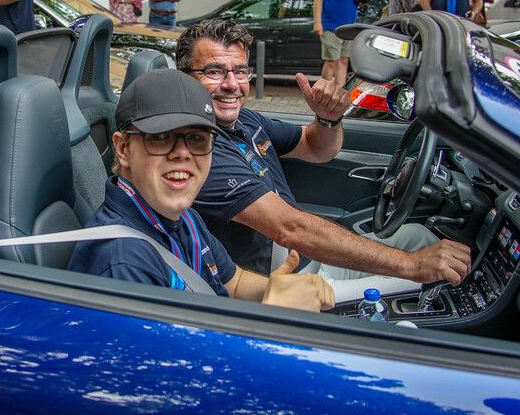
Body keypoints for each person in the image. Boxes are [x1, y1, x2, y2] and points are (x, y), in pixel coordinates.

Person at [176, 18, 472, 301]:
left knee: (419, 236)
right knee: (432, 274)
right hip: (284, 284)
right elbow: (290, 228)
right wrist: (412, 265)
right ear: (184, 78)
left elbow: (315, 147)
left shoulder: (246, 121)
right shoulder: (198, 149)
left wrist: (328, 119)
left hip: (305, 260)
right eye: (214, 72)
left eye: (240, 72)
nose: (232, 84)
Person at [67, 69, 335, 312]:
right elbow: (172, 363)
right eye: (161, 138)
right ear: (124, 149)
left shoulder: (181, 215)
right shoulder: (123, 263)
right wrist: (272, 313)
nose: (182, 153)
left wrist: (277, 289)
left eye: (197, 138)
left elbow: (235, 282)